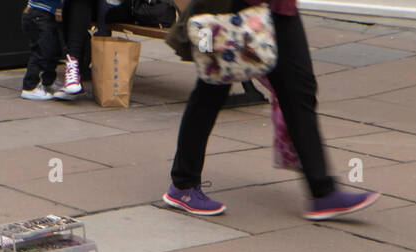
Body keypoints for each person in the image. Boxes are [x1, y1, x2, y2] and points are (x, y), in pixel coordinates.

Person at [162, 0, 380, 220]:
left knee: (299, 90)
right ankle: (183, 185)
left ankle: (323, 192)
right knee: (211, 91)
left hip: (280, 7)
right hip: (233, 6)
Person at [21, 1, 76, 100]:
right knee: (41, 52)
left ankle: (47, 81)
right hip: (38, 15)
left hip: (45, 14)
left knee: (54, 50)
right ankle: (30, 87)